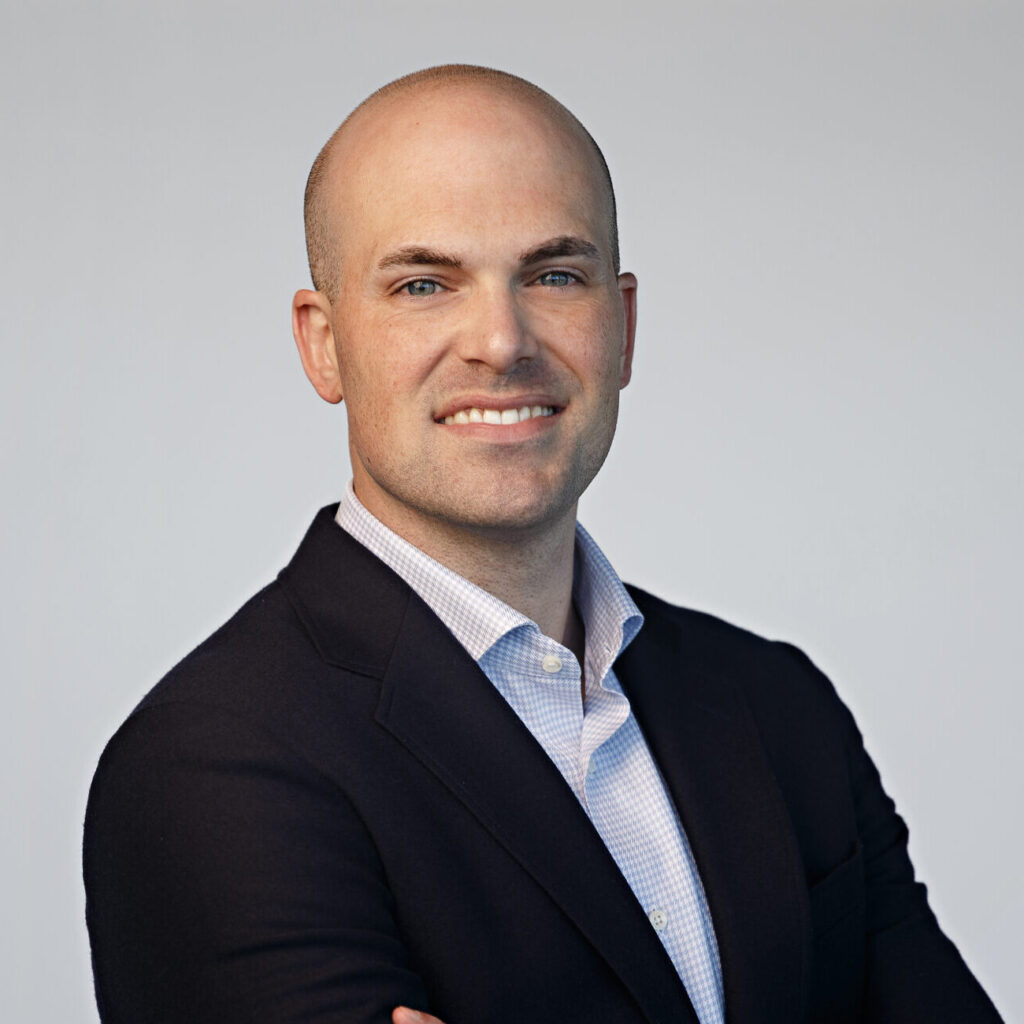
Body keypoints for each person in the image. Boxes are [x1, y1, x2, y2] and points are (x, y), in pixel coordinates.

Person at [83, 65, 1002, 1024]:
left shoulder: (779, 705)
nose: (501, 340)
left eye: (554, 275)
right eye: (424, 284)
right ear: (323, 344)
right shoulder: (211, 767)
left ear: (623, 325)